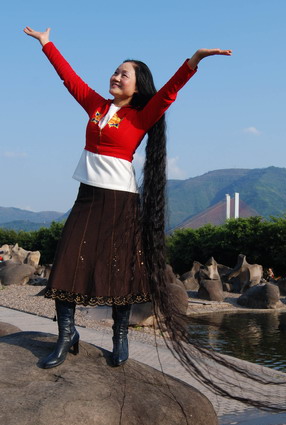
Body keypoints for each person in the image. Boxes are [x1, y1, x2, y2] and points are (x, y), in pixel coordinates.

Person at [23, 26, 232, 368]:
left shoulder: (141, 114)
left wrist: (194, 60)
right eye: (115, 71)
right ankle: (66, 335)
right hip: (88, 199)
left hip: (122, 203)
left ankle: (120, 337)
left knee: (121, 271)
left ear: (137, 85)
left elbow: (168, 93)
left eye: (124, 73)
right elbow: (69, 78)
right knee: (66, 263)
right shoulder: (95, 105)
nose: (116, 76)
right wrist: (47, 44)